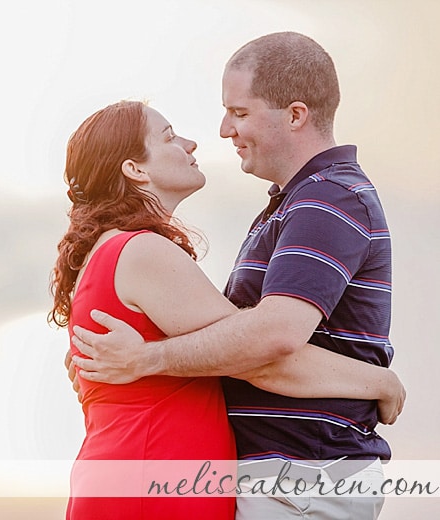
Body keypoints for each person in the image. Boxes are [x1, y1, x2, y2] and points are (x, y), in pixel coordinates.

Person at [69, 32, 403, 519]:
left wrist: (148, 358)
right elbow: (258, 347)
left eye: (239, 113)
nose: (220, 131)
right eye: (169, 137)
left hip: (299, 478)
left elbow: (265, 342)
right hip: (244, 479)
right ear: (134, 170)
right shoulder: (149, 250)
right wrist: (381, 382)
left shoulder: (327, 199)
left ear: (294, 115)